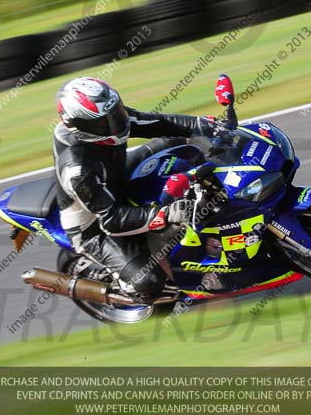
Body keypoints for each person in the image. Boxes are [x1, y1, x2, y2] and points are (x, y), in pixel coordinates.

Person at [53, 76, 210, 302]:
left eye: (115, 112)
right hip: (95, 226)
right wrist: (165, 213)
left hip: (116, 178)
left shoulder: (107, 119)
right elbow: (111, 220)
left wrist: (203, 125)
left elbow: (157, 122)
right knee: (147, 282)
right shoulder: (78, 171)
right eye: (104, 121)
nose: (115, 122)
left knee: (177, 142)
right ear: (81, 126)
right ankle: (124, 289)